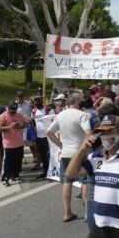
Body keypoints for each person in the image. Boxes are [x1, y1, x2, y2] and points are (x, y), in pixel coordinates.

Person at [47, 93, 92, 221]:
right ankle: (87, 213)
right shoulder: (81, 115)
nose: (83, 101)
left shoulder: (61, 115)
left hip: (66, 152)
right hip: (80, 152)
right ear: (77, 101)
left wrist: (60, 145)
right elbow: (89, 134)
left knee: (67, 182)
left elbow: (48, 132)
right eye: (81, 99)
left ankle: (67, 213)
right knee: (85, 181)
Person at [0, 102, 29, 186]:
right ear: (8, 108)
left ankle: (16, 175)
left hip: (19, 142)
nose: (14, 112)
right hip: (8, 144)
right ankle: (5, 178)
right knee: (8, 162)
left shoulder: (19, 114)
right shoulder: (2, 116)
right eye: (12, 110)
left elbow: (26, 122)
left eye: (15, 110)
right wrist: (9, 126)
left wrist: (21, 126)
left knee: (18, 161)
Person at [32, 96, 54, 179]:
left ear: (42, 101)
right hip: (39, 137)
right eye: (35, 101)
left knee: (49, 155)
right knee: (43, 156)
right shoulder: (34, 111)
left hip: (48, 137)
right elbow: (33, 122)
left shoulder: (48, 110)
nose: (36, 102)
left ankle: (51, 171)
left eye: (38, 101)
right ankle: (45, 172)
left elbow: (53, 120)